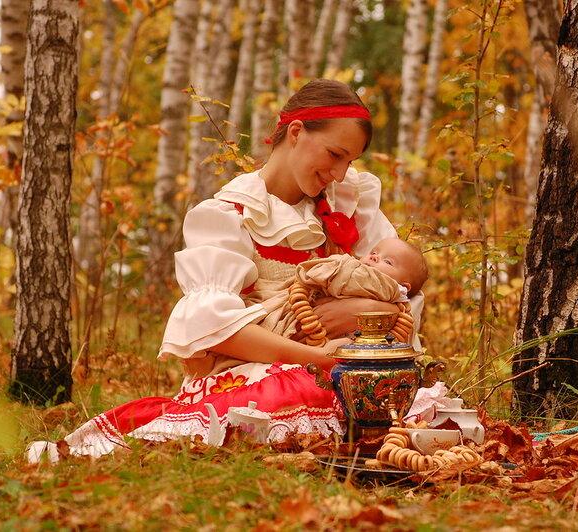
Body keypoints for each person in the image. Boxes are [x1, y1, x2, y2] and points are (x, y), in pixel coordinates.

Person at [45, 79, 424, 460]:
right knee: (299, 392)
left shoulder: (348, 205)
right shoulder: (229, 215)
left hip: (341, 365)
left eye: (349, 161)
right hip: (255, 371)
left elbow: (406, 292)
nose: (340, 174)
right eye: (335, 154)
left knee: (408, 397)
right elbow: (216, 332)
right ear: (295, 133)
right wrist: (319, 355)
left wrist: (354, 317)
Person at [252, 237, 428, 341]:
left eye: (388, 262)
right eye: (374, 252)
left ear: (403, 288)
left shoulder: (387, 292)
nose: (374, 257)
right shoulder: (350, 268)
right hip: (299, 322)